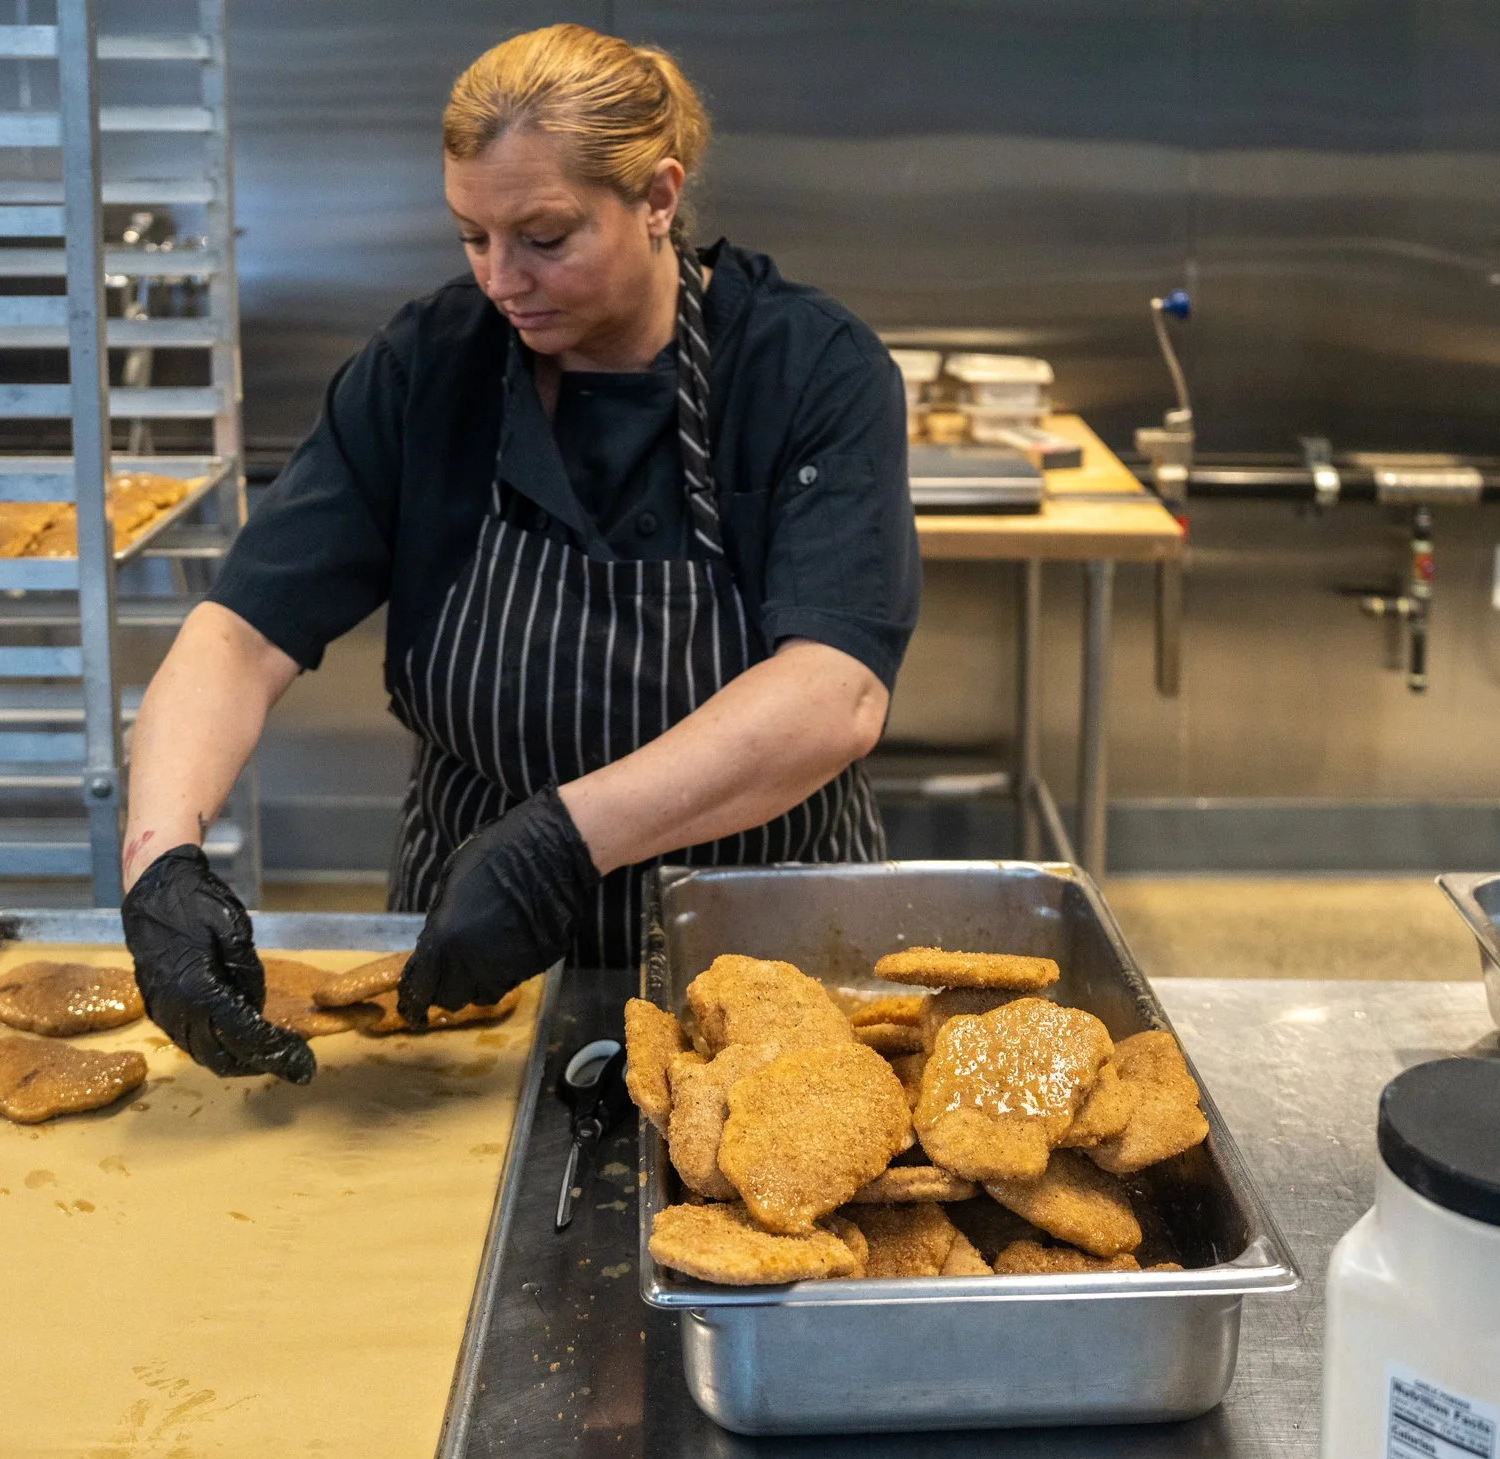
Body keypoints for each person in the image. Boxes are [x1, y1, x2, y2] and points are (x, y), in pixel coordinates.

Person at [121, 23, 920, 1083]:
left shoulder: (804, 370)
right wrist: (161, 860)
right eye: (471, 237)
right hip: (467, 963)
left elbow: (833, 694)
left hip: (757, 953)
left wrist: (561, 840)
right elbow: (238, 634)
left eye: (545, 236)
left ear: (657, 197)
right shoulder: (429, 370)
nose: (503, 278)